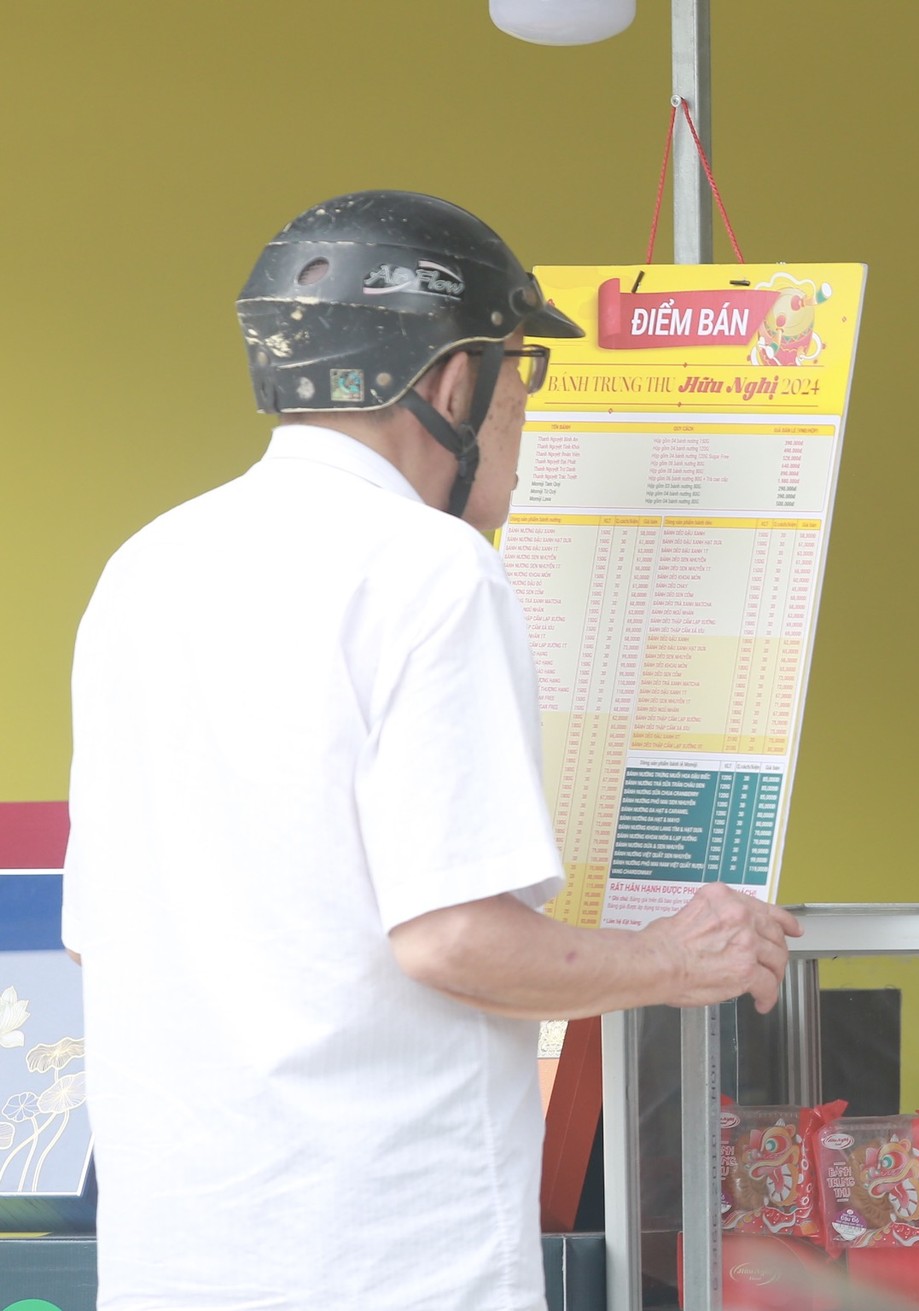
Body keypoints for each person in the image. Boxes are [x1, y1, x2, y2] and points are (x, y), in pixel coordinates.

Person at [62, 190, 801, 1311]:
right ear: (453, 381)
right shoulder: (429, 568)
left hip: (177, 1256)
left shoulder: (146, 568)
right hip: (384, 1256)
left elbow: (97, 934)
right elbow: (455, 939)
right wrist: (671, 959)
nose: (522, 413)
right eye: (522, 371)